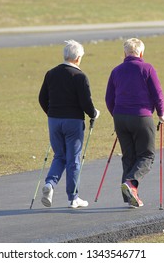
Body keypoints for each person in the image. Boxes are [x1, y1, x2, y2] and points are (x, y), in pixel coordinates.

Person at [105, 38, 164, 208]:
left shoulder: (116, 70)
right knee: (147, 155)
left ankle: (130, 198)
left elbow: (109, 98)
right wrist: (161, 113)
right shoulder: (147, 68)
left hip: (120, 117)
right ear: (141, 53)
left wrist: (116, 114)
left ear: (125, 53)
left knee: (129, 157)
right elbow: (157, 93)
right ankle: (131, 185)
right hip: (141, 117)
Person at [38, 40, 100, 209]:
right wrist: (94, 113)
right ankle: (73, 198)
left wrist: (51, 113)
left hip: (54, 121)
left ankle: (50, 184)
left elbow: (42, 98)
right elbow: (86, 102)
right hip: (73, 122)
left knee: (59, 156)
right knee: (73, 159)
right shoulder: (80, 76)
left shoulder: (51, 73)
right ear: (78, 58)